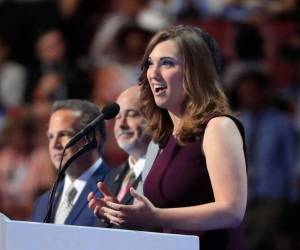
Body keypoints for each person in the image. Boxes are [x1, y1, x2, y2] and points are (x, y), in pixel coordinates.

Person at [88, 25, 247, 249]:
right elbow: (164, 220)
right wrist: (123, 213)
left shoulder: (218, 127)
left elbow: (231, 211)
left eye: (167, 63)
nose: (153, 72)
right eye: (150, 63)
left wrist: (156, 216)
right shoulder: (166, 139)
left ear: (194, 72)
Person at [31, 99, 109, 226]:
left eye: (64, 134)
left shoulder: (113, 190)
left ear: (94, 138)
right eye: (51, 137)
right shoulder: (43, 202)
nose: (54, 145)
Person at [88, 85, 151, 226]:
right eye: (118, 117)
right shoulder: (110, 178)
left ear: (155, 118)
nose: (121, 124)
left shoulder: (162, 171)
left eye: (132, 114)